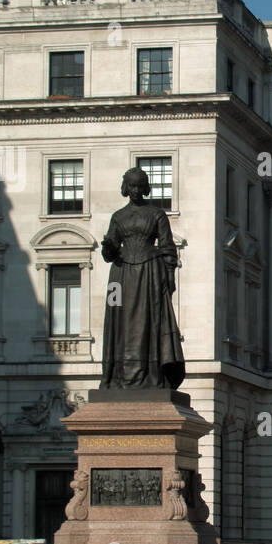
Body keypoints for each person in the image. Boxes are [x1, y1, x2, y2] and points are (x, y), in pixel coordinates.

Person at [100, 167, 185, 390]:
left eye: (139, 185)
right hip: (121, 275)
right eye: (131, 186)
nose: (135, 190)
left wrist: (169, 279)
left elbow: (168, 248)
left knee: (149, 322)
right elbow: (109, 253)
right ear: (125, 188)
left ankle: (152, 373)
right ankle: (118, 375)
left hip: (150, 273)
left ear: (145, 187)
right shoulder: (118, 217)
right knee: (121, 323)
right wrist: (108, 248)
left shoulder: (156, 214)